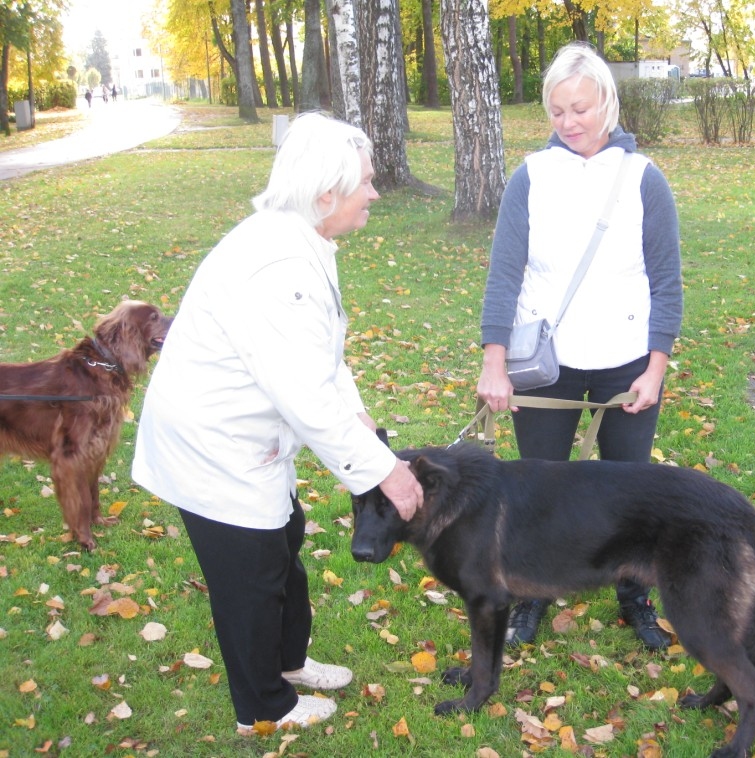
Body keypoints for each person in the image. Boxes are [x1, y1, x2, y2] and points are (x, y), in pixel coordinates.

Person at [132, 112, 424, 731]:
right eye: (366, 183)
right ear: (325, 195)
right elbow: (307, 400)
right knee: (253, 579)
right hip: (214, 447)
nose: (375, 192)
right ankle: (264, 709)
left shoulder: (306, 239)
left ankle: (288, 662)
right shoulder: (280, 270)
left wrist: (363, 419)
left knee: (285, 544)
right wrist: (386, 473)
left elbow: (321, 357)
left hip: (247, 440)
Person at [476, 42, 683, 651]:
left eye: (581, 109)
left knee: (629, 489)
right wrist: (495, 363)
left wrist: (656, 368)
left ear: (608, 105)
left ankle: (633, 596)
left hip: (625, 360)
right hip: (545, 362)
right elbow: (504, 275)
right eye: (558, 110)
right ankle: (533, 595)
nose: (569, 122)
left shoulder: (645, 179)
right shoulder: (530, 177)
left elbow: (665, 281)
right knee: (540, 491)